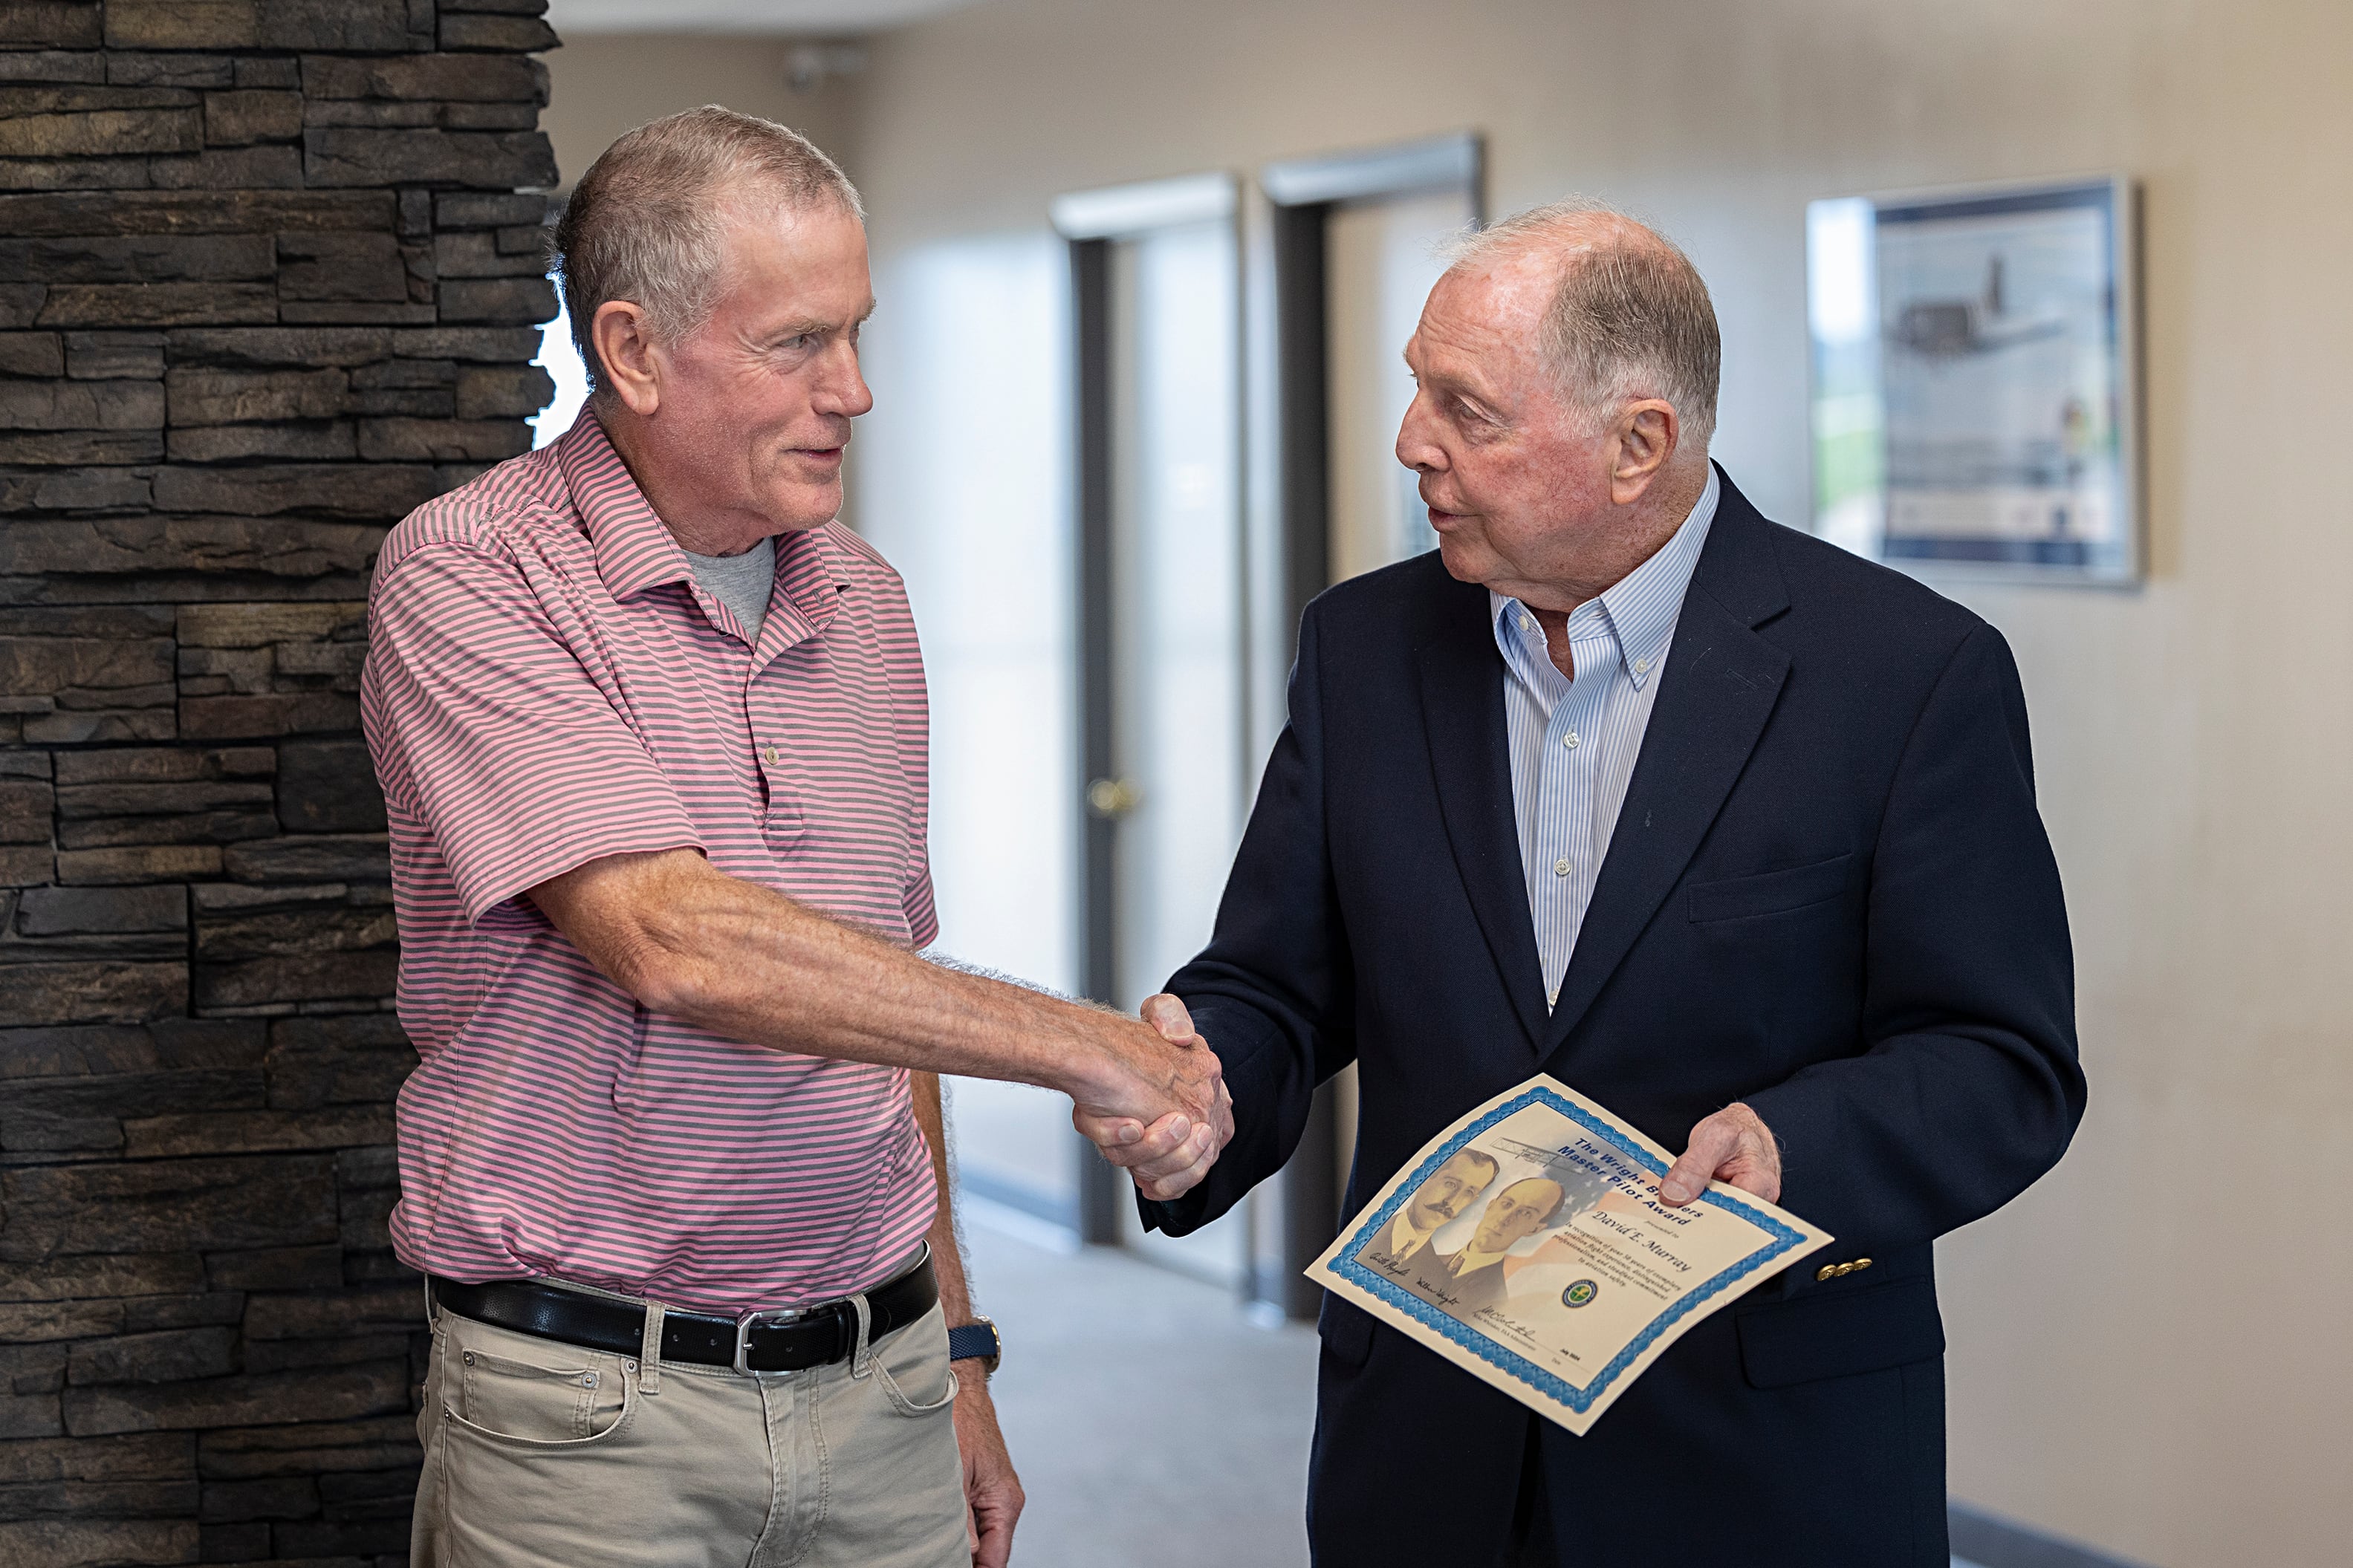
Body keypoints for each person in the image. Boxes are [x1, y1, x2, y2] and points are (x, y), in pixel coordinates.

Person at [1132, 201, 2084, 1565]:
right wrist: (1198, 1083)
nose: (1412, 440)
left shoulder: (1903, 676)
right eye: (1415, 389)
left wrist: (1794, 1141)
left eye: (1465, 408)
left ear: (1638, 444)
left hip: (1755, 1458)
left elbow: (2003, 1061)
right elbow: (1278, 981)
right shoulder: (1362, 647)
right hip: (1426, 1445)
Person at [360, 108, 1228, 1568]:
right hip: (592, 1418)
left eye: (857, 334)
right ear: (632, 352)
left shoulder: (866, 600)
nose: (856, 390)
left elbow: (879, 995)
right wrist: (1093, 1045)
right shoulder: (469, 573)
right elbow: (671, 936)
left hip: (882, 1384)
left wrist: (954, 1349)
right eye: (797, 344)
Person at [1406, 1177, 1565, 1318]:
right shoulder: (1417, 1257)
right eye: (1507, 1204)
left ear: (1534, 1229)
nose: (1505, 1218)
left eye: (1525, 1213)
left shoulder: (1495, 1301)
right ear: (1491, 1206)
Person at [1361, 1147, 1501, 1274]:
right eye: (1451, 1184)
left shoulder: (1438, 1277)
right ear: (1426, 1178)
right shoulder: (1363, 1225)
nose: (1451, 1202)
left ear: (1472, 1201)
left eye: (1468, 1192)